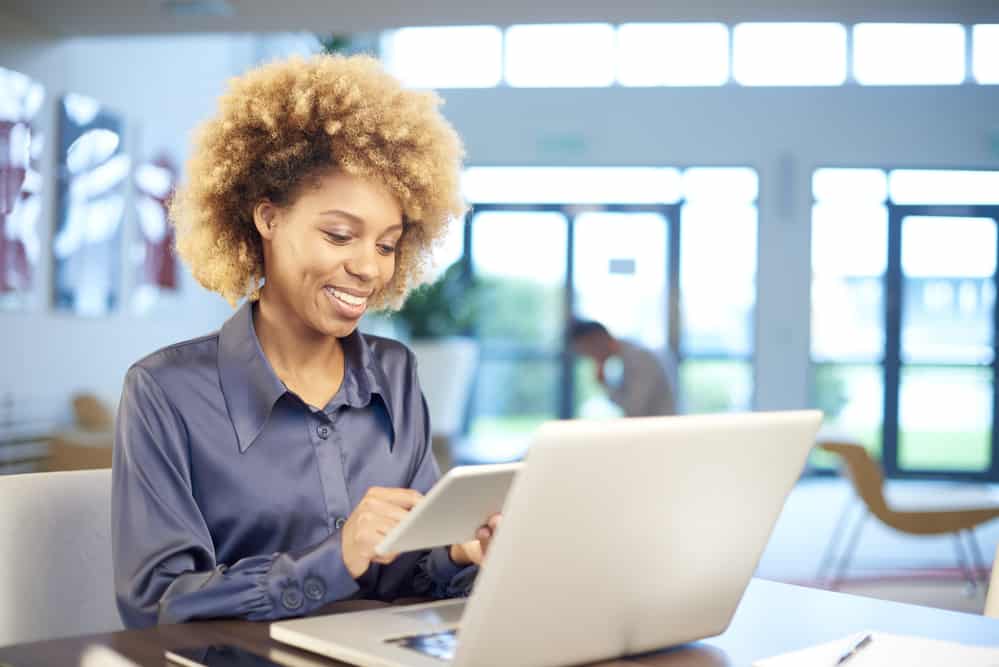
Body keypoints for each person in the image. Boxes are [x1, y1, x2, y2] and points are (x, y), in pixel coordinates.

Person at [111, 54, 498, 629]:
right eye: (340, 234)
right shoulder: (165, 392)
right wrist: (330, 562)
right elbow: (157, 604)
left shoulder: (395, 373)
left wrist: (456, 553)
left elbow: (411, 565)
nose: (368, 268)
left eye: (387, 245)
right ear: (268, 219)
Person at [569, 319, 676, 417]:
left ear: (596, 340)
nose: (591, 357)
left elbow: (634, 408)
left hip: (660, 430)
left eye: (587, 351)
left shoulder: (639, 358)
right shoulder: (628, 356)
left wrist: (606, 384)